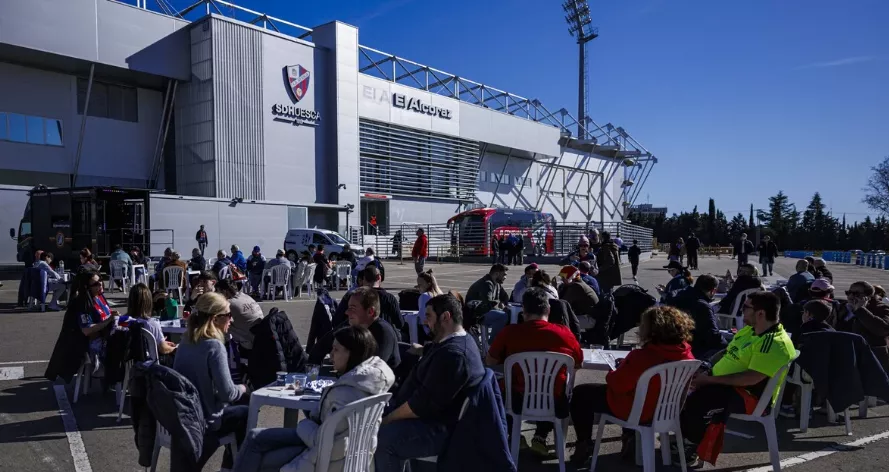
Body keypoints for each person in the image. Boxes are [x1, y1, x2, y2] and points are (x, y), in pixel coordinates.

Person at [234, 326, 395, 472]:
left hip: (326, 457)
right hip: (346, 452)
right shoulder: (368, 383)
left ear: (352, 353)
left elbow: (326, 443)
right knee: (255, 437)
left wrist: (304, 425)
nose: (330, 355)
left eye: (336, 350)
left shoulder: (346, 394)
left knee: (258, 453)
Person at [570, 306, 696, 464]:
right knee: (635, 391)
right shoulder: (687, 354)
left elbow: (617, 385)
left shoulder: (642, 356)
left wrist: (616, 369)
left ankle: (584, 444)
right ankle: (629, 437)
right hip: (667, 410)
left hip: (639, 411)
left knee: (581, 394)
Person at [679, 291, 794, 463]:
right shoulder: (749, 330)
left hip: (751, 396)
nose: (741, 310)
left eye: (745, 307)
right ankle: (682, 437)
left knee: (701, 397)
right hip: (726, 385)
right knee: (677, 385)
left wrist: (708, 380)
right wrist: (705, 367)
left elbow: (751, 378)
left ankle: (690, 444)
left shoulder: (774, 343)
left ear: (760, 313)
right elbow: (727, 352)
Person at [374, 294, 485, 471]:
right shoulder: (457, 340)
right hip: (428, 417)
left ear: (446, 317)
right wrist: (420, 350)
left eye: (429, 316)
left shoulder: (454, 356)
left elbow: (420, 406)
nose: (425, 322)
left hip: (439, 428)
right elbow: (434, 350)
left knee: (381, 438)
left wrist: (387, 419)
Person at [486, 288, 583, 457]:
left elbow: (490, 361)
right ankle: (540, 436)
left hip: (518, 399)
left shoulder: (510, 333)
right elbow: (577, 364)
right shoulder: (565, 333)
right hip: (554, 401)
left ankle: (513, 435)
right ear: (548, 310)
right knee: (558, 387)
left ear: (524, 311)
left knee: (494, 388)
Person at [173, 292, 249, 470]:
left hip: (183, 416)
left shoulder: (186, 340)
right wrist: (244, 387)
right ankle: (232, 466)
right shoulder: (214, 346)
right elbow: (228, 393)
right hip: (205, 419)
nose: (231, 320)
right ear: (216, 319)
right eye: (229, 315)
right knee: (247, 411)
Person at [834, 281, 889, 373]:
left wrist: (861, 310)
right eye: (848, 293)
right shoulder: (843, 308)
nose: (851, 296)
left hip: (872, 360)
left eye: (856, 294)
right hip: (847, 357)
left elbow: (883, 329)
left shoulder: (881, 308)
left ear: (868, 296)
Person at [668, 275, 727, 359]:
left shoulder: (678, 295)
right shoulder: (702, 306)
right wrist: (728, 345)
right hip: (691, 348)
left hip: (671, 343)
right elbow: (712, 334)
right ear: (713, 291)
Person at [73, 270, 118, 374]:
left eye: (101, 280)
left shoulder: (100, 296)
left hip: (108, 336)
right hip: (94, 343)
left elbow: (107, 316)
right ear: (87, 288)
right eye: (96, 284)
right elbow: (86, 330)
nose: (100, 284)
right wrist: (108, 320)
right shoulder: (84, 303)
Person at [345, 286, 401, 369]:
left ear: (370, 311)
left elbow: (372, 370)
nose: (347, 312)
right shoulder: (357, 326)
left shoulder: (383, 332)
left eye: (352, 308)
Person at [465, 264, 511, 343]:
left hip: (484, 311)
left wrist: (502, 302)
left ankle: (501, 340)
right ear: (497, 274)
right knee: (503, 316)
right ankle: (493, 342)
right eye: (504, 275)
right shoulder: (486, 284)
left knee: (508, 314)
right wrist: (499, 304)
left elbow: (505, 297)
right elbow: (487, 303)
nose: (505, 277)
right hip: (476, 314)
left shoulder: (497, 284)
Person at [128, 283, 176, 356]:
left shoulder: (124, 321)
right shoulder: (151, 324)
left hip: (130, 363)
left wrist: (161, 342)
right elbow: (163, 349)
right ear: (149, 302)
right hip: (149, 364)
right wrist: (176, 348)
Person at [216, 279, 264, 352]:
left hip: (250, 342)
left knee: (219, 325)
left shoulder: (229, 303)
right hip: (261, 336)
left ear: (224, 291)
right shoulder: (245, 296)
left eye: (218, 292)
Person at [416, 270, 444, 342]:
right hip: (442, 331)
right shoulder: (440, 293)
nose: (418, 287)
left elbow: (423, 319)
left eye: (420, 285)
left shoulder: (424, 296)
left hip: (429, 333)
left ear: (428, 284)